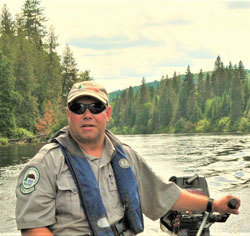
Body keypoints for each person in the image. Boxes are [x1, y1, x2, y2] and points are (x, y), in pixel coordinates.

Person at [15, 81, 241, 236]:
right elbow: (33, 228)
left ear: (108, 114)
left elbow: (164, 194)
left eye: (96, 107)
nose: (87, 114)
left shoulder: (125, 155)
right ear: (68, 114)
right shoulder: (45, 164)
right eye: (78, 107)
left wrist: (214, 204)